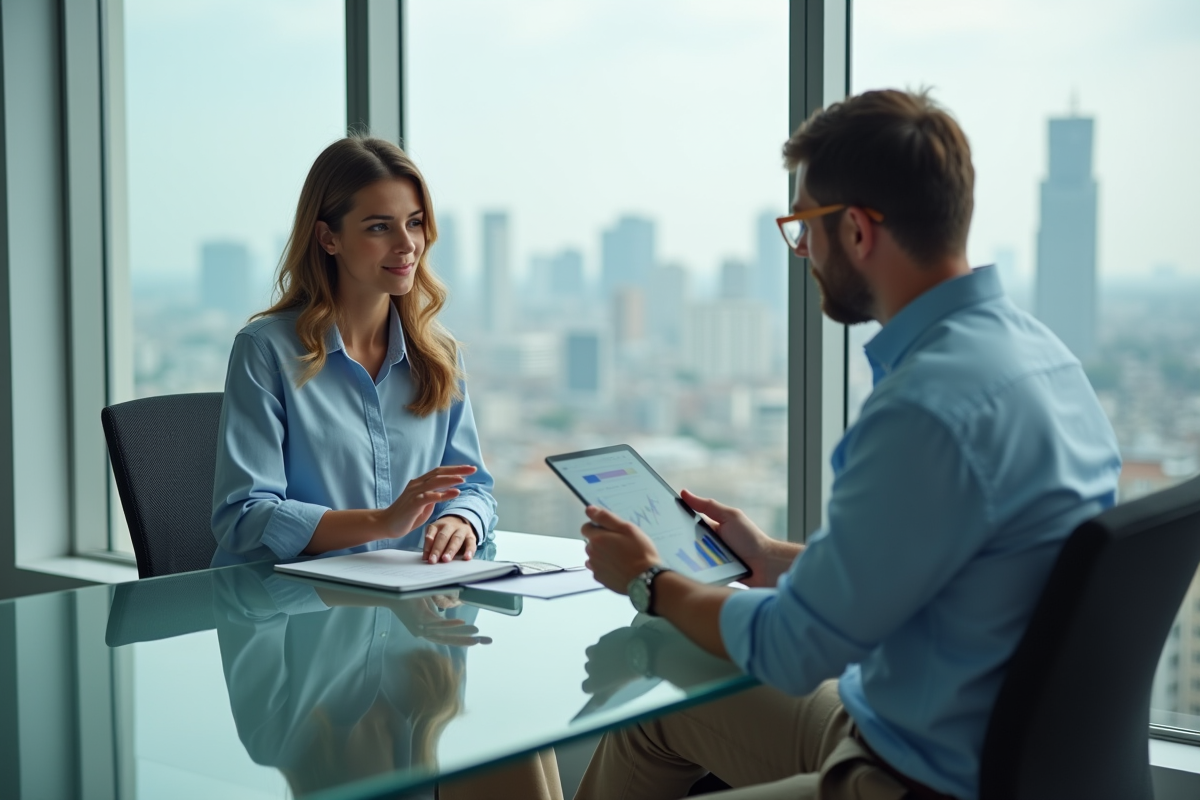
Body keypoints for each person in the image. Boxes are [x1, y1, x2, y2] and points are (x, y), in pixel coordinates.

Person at [574, 89, 1122, 800]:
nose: (801, 250)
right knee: (656, 709)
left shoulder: (924, 410)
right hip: (960, 741)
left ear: (858, 231)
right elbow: (955, 569)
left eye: (803, 227)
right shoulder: (1043, 358)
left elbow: (793, 649)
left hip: (903, 778)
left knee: (670, 661)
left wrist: (651, 581)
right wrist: (769, 559)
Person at [210, 136, 497, 568]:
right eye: (379, 227)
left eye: (414, 222)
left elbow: (473, 487)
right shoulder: (266, 350)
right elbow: (244, 516)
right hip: (291, 615)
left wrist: (462, 520)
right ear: (328, 237)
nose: (407, 245)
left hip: (410, 614)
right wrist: (382, 522)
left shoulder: (438, 355)